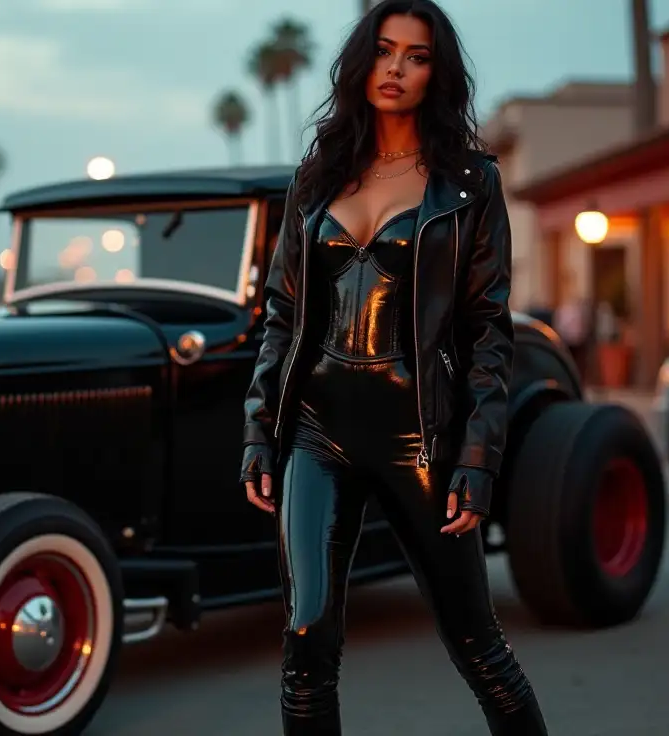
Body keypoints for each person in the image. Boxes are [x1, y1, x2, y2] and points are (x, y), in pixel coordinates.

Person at [239, 2, 547, 734]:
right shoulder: (317, 178)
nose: (396, 68)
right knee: (307, 635)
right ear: (362, 62)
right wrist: (260, 430)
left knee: (476, 644)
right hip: (315, 431)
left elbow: (488, 332)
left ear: (435, 74)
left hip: (419, 440)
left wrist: (478, 456)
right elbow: (282, 315)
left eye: (416, 55)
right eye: (384, 51)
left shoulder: (469, 185)